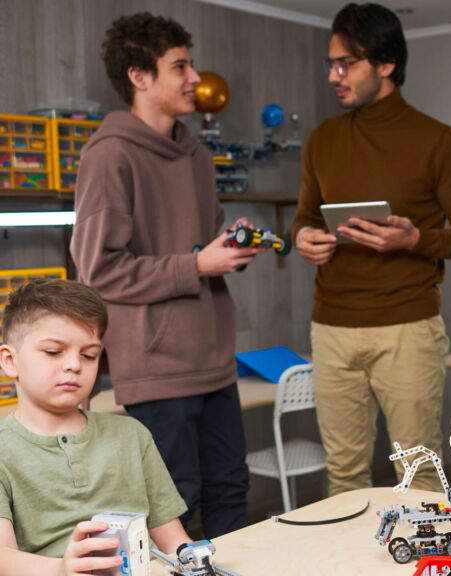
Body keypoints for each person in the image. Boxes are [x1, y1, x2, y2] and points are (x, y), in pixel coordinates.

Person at [70, 13, 261, 538]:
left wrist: (229, 245)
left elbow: (199, 241)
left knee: (231, 492)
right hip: (157, 369)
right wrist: (196, 265)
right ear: (139, 76)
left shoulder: (197, 156)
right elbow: (98, 270)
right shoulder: (109, 156)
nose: (195, 77)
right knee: (175, 506)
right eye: (179, 66)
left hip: (214, 360)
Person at [290, 2, 451, 495]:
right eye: (331, 64)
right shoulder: (322, 139)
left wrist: (414, 239)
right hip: (331, 328)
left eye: (346, 64)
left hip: (408, 328)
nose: (334, 76)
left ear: (385, 64)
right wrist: (303, 238)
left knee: (418, 473)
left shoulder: (437, 140)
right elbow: (305, 218)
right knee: (343, 477)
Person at [0, 279, 191, 575]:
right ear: (10, 361)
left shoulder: (132, 435)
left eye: (88, 355)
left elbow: (173, 540)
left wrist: (192, 558)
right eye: (53, 351)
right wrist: (61, 570)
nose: (74, 365)